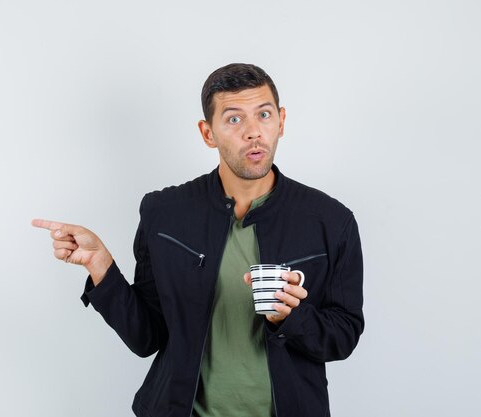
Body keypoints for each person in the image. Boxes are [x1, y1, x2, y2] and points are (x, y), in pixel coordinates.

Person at [32, 63, 364, 417]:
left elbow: (344, 334)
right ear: (208, 133)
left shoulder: (330, 221)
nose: (254, 132)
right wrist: (101, 266)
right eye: (234, 119)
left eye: (264, 115)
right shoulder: (164, 212)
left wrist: (291, 318)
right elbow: (148, 337)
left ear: (281, 121)